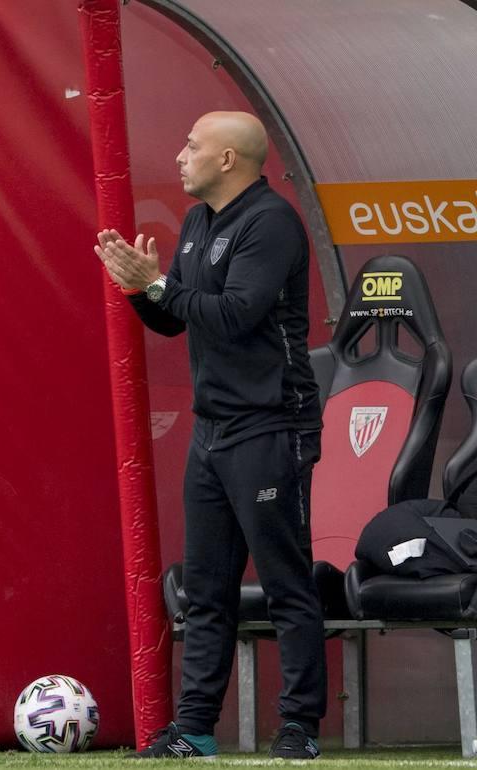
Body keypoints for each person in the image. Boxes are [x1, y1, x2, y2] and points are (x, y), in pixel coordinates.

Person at [94, 111, 325, 760]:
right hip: (214, 430)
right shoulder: (198, 223)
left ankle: (301, 730)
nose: (180, 155)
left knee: (286, 582)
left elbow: (236, 316)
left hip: (271, 426)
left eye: (192, 145)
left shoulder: (271, 223)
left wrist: (158, 285)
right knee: (205, 589)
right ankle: (194, 730)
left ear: (228, 161)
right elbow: (177, 321)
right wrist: (139, 293)